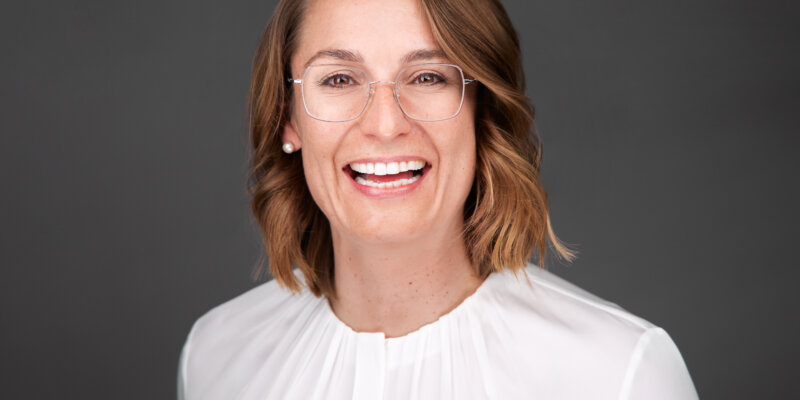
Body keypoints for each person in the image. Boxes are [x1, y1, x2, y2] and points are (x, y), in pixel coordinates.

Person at [178, 0, 698, 398]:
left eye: (428, 76)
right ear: (287, 118)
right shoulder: (215, 357)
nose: (385, 124)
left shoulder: (619, 375)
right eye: (338, 78)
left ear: (481, 110)